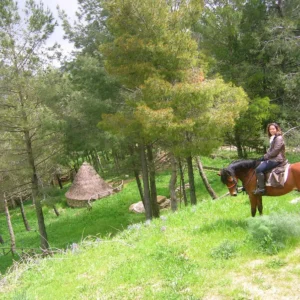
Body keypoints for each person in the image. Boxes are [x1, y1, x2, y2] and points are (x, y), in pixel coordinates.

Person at [253, 123, 286, 195]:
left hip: (276, 159)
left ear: (277, 129)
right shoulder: (273, 138)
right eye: (270, 129)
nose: (271, 130)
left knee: (258, 169)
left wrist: (265, 157)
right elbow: (271, 150)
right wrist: (264, 156)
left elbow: (276, 150)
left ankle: (261, 189)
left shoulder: (278, 138)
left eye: (273, 129)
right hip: (272, 158)